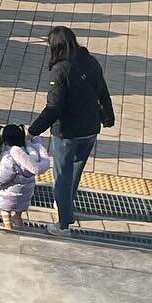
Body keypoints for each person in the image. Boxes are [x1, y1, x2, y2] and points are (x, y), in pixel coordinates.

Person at [28, 25, 114, 233]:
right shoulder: (91, 62)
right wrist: (108, 118)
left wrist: (33, 131)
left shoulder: (60, 70)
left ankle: (63, 223)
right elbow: (103, 92)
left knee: (62, 179)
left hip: (67, 134)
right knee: (74, 173)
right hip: (90, 130)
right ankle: (65, 206)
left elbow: (53, 107)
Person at [0, 125, 51, 230]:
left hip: (10, 191)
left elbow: (3, 175)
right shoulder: (30, 153)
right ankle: (18, 220)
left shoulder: (10, 158)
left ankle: (8, 227)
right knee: (18, 207)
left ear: (5, 141)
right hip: (26, 191)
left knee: (5, 210)